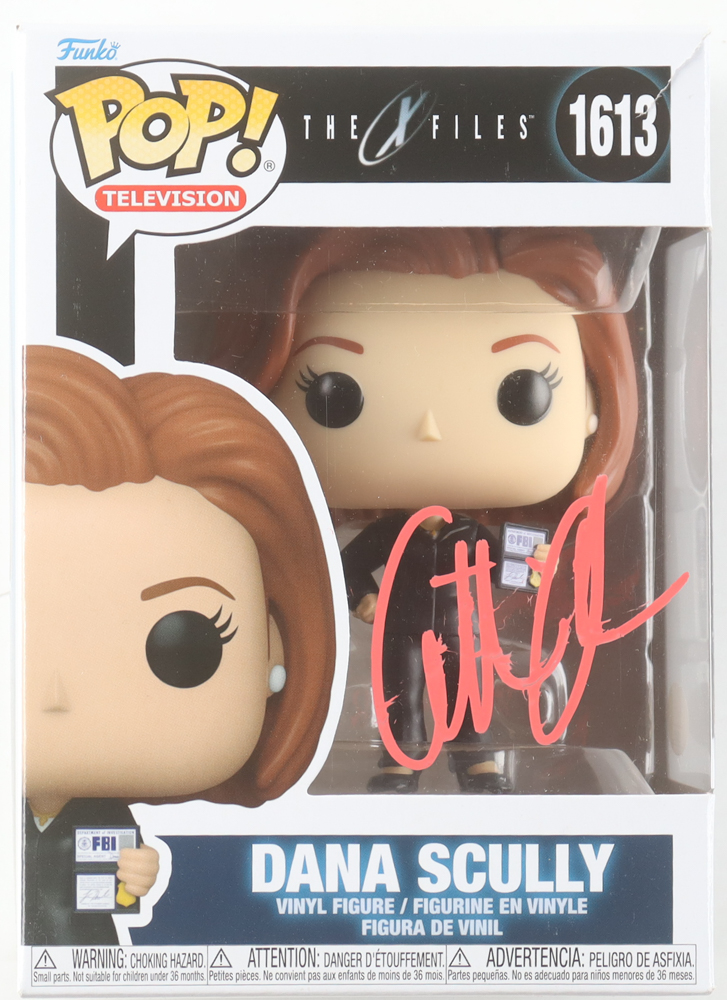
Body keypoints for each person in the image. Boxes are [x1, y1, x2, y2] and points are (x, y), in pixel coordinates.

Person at [219, 227, 639, 793]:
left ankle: (476, 758)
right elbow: (344, 567)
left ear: (594, 406)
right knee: (403, 691)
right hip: (401, 629)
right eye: (334, 392)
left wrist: (535, 569)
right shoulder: (395, 533)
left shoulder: (472, 532)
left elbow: (509, 565)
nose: (430, 428)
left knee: (469, 689)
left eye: (523, 392)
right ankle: (403, 757)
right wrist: (362, 597)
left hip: (464, 628)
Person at [24, 345, 335, 942]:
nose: (56, 693)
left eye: (184, 644)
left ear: (275, 651)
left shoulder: (103, 812)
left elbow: (125, 881)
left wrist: (139, 873)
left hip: (85, 953)